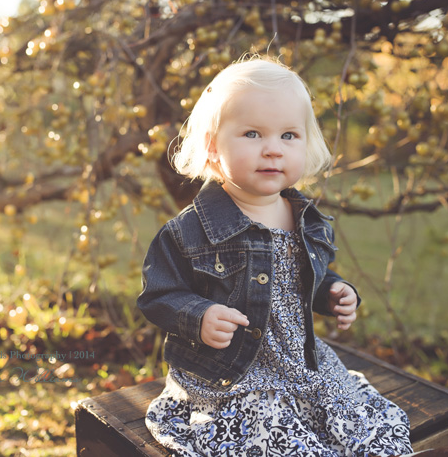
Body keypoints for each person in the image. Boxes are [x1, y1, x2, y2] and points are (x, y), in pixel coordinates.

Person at [137, 57, 413, 456]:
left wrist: (333, 290)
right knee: (275, 435)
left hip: (299, 363)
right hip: (232, 376)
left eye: (289, 135)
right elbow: (157, 295)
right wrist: (199, 316)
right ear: (213, 147)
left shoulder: (307, 220)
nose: (273, 150)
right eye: (252, 134)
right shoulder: (188, 231)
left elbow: (303, 280)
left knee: (355, 420)